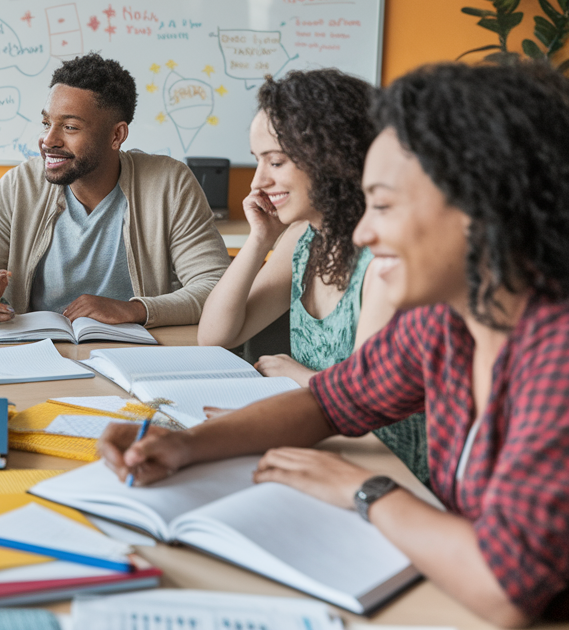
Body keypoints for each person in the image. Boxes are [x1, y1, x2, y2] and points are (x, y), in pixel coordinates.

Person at [99, 61, 569, 625]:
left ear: (481, 204)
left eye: (386, 205)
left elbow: (506, 588)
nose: (365, 231)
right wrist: (187, 445)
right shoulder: (447, 322)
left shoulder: (555, 351)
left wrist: (365, 491)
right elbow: (327, 402)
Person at [196, 69, 426, 482]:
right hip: (323, 443)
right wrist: (259, 241)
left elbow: (367, 404)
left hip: (386, 466)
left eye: (276, 161)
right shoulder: (304, 235)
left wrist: (299, 376)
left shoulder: (383, 258)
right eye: (258, 159)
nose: (258, 181)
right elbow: (215, 335)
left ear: (331, 157)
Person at [0, 52, 229, 328]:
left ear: (116, 135)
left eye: (69, 127)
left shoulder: (170, 184)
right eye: (46, 123)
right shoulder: (19, 186)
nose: (48, 140)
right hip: (40, 352)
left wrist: (134, 309)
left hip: (142, 355)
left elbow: (216, 286)